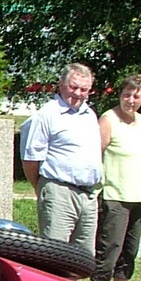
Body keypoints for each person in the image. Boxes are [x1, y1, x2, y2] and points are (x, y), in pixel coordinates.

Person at [20, 63, 103, 254]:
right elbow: (31, 159)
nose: (78, 93)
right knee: (55, 255)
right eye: (73, 87)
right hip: (59, 192)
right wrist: (42, 187)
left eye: (84, 89)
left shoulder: (89, 114)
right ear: (61, 85)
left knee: (82, 259)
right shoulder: (47, 114)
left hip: (88, 195)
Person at [94, 74, 141, 281]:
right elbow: (96, 155)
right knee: (110, 249)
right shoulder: (108, 119)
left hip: (140, 195)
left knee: (129, 251)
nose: (130, 100)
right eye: (126, 95)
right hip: (115, 195)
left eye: (136, 96)